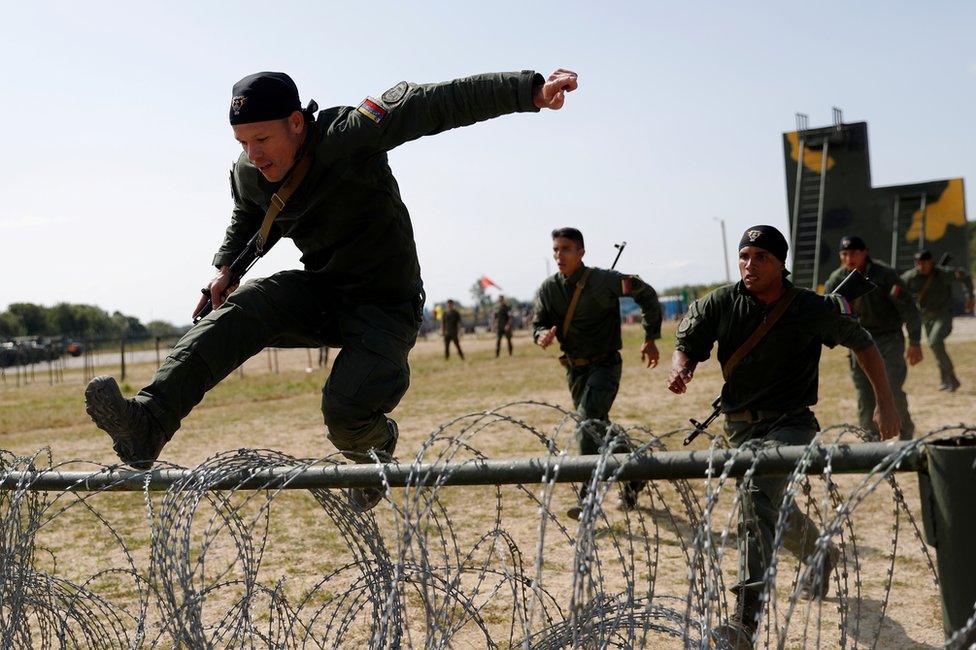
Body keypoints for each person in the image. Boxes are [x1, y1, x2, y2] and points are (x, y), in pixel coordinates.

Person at [84, 67, 580, 512]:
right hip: (324, 293)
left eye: (262, 139)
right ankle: (148, 425)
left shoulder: (352, 134)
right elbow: (249, 213)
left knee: (345, 409)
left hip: (387, 306)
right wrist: (225, 269)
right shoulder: (251, 173)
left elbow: (436, 103)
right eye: (242, 143)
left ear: (297, 123)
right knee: (246, 306)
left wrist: (529, 90)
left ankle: (373, 456)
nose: (253, 155)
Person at [667, 225, 900, 648]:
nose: (749, 265)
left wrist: (885, 402)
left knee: (757, 494)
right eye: (744, 256)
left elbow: (863, 343)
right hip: (740, 425)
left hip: (791, 423)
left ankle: (745, 619)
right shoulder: (722, 301)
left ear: (780, 264)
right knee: (766, 504)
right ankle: (818, 551)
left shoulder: (808, 307)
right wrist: (681, 366)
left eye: (760, 257)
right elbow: (687, 340)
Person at [531, 227, 662, 519]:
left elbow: (646, 293)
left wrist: (650, 336)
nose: (559, 255)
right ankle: (635, 472)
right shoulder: (548, 289)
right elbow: (538, 323)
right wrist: (541, 335)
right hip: (575, 371)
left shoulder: (605, 281)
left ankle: (588, 499)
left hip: (605, 365)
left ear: (581, 252)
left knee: (587, 422)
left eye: (565, 249)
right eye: (555, 249)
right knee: (597, 426)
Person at [824, 235, 922, 440]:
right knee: (864, 394)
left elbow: (908, 308)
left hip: (888, 338)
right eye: (844, 254)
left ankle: (905, 435)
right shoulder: (836, 280)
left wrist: (914, 342)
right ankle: (870, 441)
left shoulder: (884, 275)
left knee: (892, 387)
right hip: (857, 342)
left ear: (865, 252)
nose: (849, 258)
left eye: (853, 253)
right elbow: (826, 315)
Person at [901, 250, 963, 391]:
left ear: (931, 262)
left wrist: (970, 297)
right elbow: (898, 287)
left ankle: (951, 377)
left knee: (935, 342)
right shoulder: (911, 277)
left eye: (924, 262)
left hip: (943, 316)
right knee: (936, 348)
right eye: (918, 263)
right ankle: (946, 378)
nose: (921, 266)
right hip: (926, 318)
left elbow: (964, 275)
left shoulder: (943, 273)